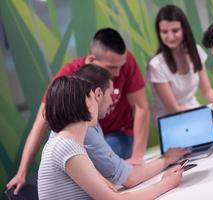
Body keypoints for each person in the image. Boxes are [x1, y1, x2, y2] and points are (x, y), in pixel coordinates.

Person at [7, 28, 149, 194]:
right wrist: (22, 172)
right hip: (89, 144)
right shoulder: (66, 81)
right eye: (111, 68)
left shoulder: (122, 60)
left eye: (120, 67)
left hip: (116, 136)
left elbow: (141, 107)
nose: (117, 74)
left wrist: (138, 157)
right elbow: (40, 123)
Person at [38, 75, 183, 199]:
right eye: (93, 97)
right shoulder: (67, 146)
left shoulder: (65, 143)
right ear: (86, 101)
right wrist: (166, 184)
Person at [73, 64, 187, 188]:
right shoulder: (86, 130)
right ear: (98, 94)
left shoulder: (86, 123)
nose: (112, 101)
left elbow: (118, 172)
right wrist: (166, 160)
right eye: (110, 94)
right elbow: (130, 179)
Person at [147, 5, 213, 122]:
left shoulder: (196, 51)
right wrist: (210, 113)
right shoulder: (156, 65)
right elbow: (173, 109)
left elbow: (207, 91)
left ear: (184, 29)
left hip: (195, 110)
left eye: (175, 30)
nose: (170, 37)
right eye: (164, 32)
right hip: (171, 120)